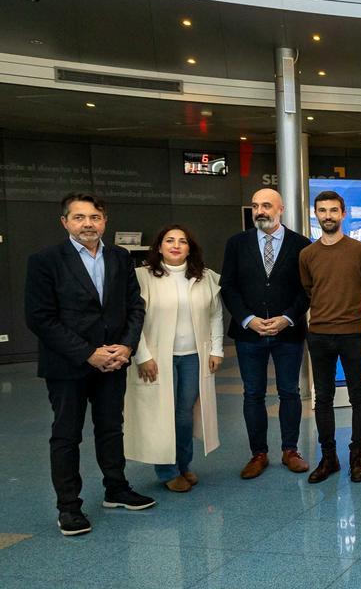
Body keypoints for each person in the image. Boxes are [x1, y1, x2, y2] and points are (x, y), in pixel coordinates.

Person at [25, 193, 155, 536]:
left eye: (95, 217)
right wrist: (87, 353)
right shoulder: (45, 260)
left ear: (104, 221)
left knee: (111, 428)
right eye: (79, 217)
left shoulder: (120, 257)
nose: (88, 224)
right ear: (65, 222)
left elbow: (135, 307)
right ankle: (68, 507)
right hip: (68, 366)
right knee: (66, 435)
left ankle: (116, 489)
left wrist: (126, 347)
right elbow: (40, 318)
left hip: (114, 362)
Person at [124, 225, 225, 493]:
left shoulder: (205, 278)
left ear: (190, 248)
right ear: (159, 247)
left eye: (182, 241)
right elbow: (134, 320)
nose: (176, 245)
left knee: (183, 415)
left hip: (193, 356)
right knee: (162, 414)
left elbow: (215, 314)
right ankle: (166, 471)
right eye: (169, 240)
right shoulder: (142, 277)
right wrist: (142, 355)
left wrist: (216, 350)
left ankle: (183, 465)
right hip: (158, 358)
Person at [220, 188, 312, 479]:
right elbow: (229, 287)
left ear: (281, 209)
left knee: (289, 391)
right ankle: (258, 453)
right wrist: (248, 319)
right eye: (256, 205)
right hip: (250, 335)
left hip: (288, 333)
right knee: (253, 394)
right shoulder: (237, 243)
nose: (260, 211)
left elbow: (307, 290)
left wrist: (287, 318)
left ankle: (290, 450)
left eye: (267, 205)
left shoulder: (301, 245)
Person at [300, 190, 361, 484]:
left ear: (343, 213)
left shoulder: (360, 251)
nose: (328, 216)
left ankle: (357, 457)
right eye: (322, 211)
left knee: (359, 396)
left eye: (334, 210)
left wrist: (359, 315)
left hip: (352, 336)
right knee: (323, 398)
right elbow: (309, 290)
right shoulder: (307, 255)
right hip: (319, 335)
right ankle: (328, 457)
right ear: (316, 214)